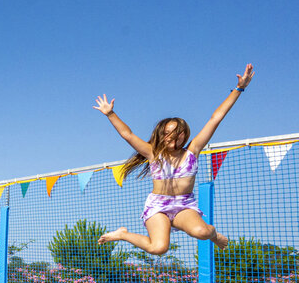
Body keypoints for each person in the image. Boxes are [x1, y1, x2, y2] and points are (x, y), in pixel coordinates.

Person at [94, 64, 253, 255]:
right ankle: (123, 234)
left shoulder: (192, 152)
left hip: (184, 204)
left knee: (202, 232)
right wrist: (110, 114)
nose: (172, 137)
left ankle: (214, 235)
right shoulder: (154, 154)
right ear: (161, 135)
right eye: (168, 133)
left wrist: (239, 89)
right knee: (159, 248)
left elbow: (215, 118)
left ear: (184, 136)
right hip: (158, 205)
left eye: (177, 134)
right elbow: (127, 134)